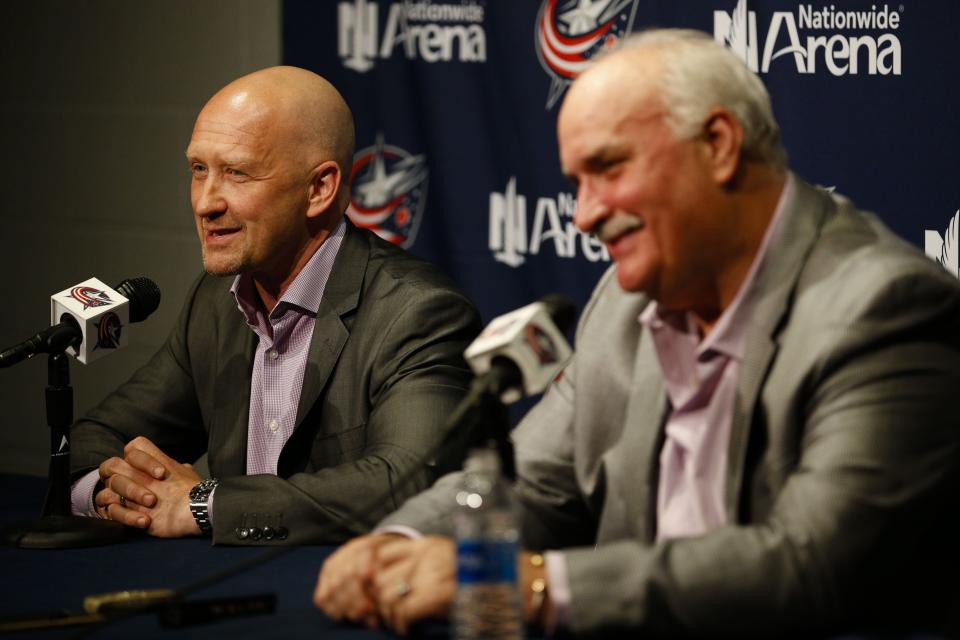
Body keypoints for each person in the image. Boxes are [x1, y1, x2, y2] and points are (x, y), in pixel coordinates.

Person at [313, 29, 960, 636]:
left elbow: (811, 562)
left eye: (609, 168)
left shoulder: (883, 307)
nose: (585, 215)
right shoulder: (627, 302)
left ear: (718, 145)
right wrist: (397, 549)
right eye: (574, 183)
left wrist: (536, 585)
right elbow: (533, 484)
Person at [68, 66, 482, 545]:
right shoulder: (216, 302)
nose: (205, 203)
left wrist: (204, 504)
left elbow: (408, 483)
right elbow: (96, 435)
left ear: (319, 189)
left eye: (237, 173)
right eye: (199, 169)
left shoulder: (418, 312)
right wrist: (109, 490)